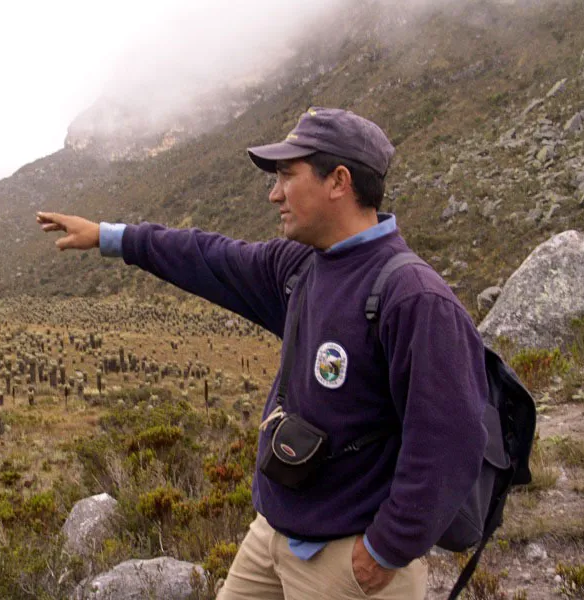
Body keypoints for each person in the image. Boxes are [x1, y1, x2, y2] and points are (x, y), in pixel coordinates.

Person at [37, 107, 489, 599]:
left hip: (347, 562)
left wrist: (385, 549)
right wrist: (110, 237)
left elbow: (451, 439)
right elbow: (207, 256)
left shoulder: (412, 297)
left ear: (338, 181)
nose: (274, 194)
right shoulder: (299, 267)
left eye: (286, 177)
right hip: (272, 536)